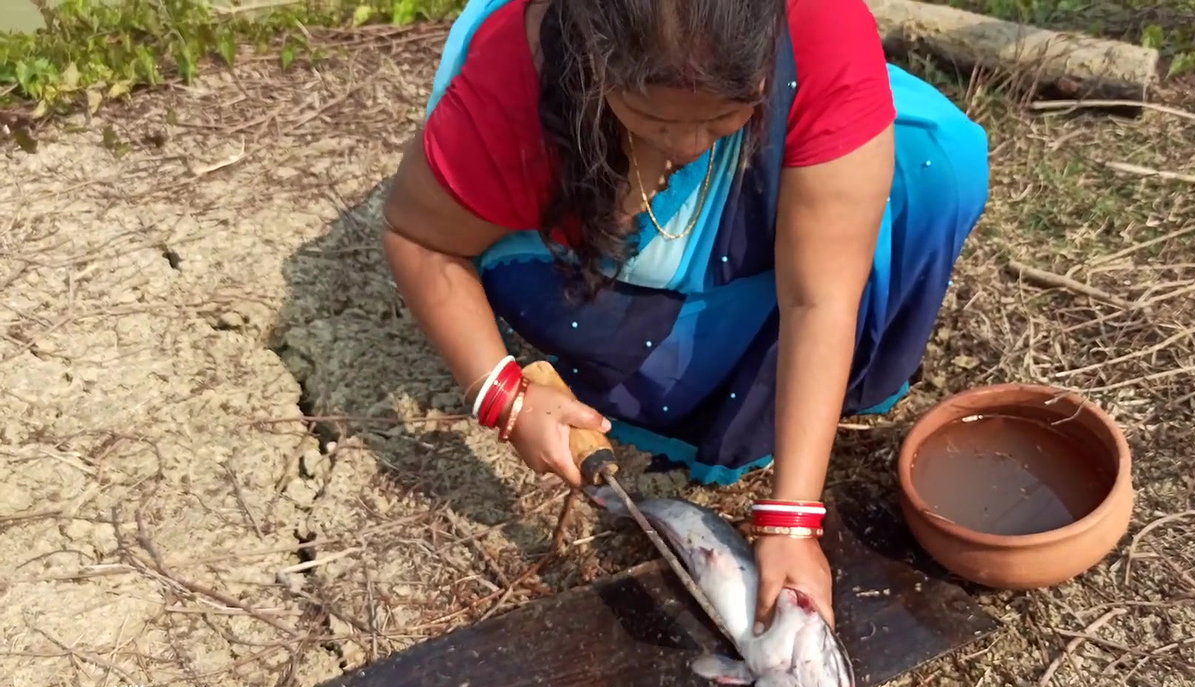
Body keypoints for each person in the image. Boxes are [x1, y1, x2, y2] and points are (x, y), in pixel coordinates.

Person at [381, 0, 989, 633]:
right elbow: (420, 238)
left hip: (781, 88)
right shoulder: (517, 77)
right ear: (594, 62)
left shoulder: (819, 24)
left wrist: (793, 518)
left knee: (935, 167)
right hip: (560, 166)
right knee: (593, 301)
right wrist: (502, 394)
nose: (691, 143)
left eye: (726, 115)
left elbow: (820, 297)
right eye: (651, 115)